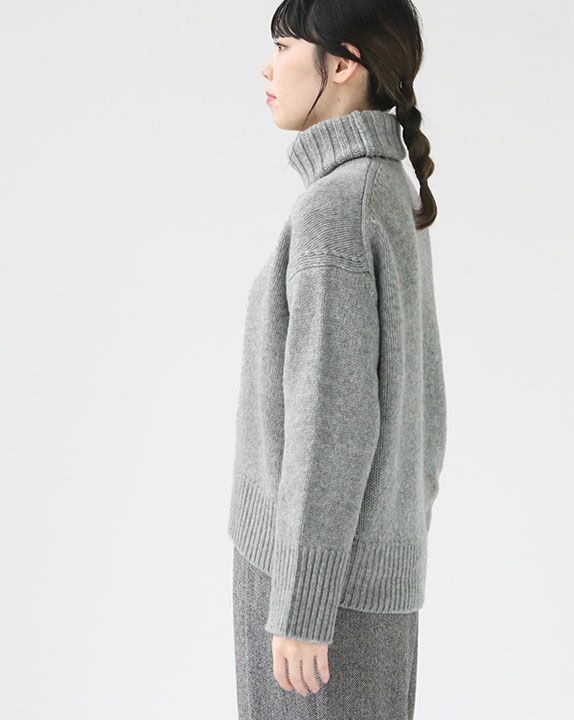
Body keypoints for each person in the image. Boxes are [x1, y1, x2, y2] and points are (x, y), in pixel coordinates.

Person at [227, 0, 446, 717]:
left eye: (285, 46)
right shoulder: (384, 192)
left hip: (316, 591)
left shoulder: (338, 211)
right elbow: (424, 416)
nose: (268, 67)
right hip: (360, 575)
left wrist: (302, 603)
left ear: (344, 64)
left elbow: (334, 424)